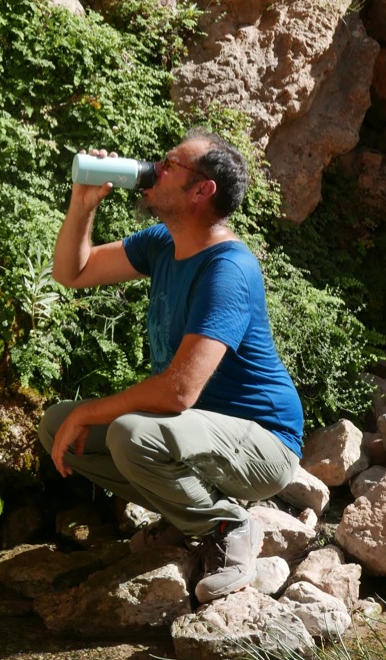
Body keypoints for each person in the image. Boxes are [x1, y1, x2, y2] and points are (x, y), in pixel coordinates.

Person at [38, 129, 304, 603]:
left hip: (263, 441)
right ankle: (185, 519)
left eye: (169, 165)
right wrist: (84, 203)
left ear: (203, 191)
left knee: (130, 434)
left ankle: (228, 526)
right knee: (58, 425)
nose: (152, 169)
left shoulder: (228, 269)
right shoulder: (164, 242)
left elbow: (179, 392)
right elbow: (71, 273)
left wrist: (92, 410)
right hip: (193, 432)